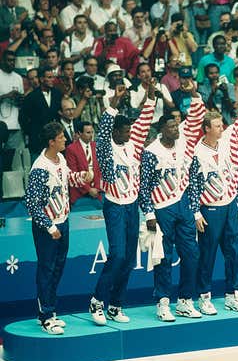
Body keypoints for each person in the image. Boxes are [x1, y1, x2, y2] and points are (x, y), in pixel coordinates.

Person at [189, 73, 238, 315]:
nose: (223, 128)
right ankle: (204, 296)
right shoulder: (197, 152)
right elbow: (192, 184)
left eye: (222, 125)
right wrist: (196, 213)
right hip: (209, 210)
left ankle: (232, 294)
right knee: (207, 256)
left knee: (233, 253)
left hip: (230, 206)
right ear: (207, 128)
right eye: (218, 126)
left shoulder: (229, 140)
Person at [88, 82, 155, 325]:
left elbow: (145, 121)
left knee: (127, 257)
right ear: (116, 132)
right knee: (116, 254)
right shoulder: (105, 149)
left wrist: (150, 99)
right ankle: (97, 301)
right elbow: (103, 128)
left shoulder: (134, 145)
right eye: (124, 132)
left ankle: (116, 305)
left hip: (132, 205)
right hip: (114, 204)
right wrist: (114, 102)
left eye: (130, 132)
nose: (129, 135)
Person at [139, 84, 206, 322]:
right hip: (162, 209)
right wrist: (148, 214)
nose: (176, 128)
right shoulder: (151, 151)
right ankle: (163, 302)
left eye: (177, 125)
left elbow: (198, 116)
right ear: (161, 130)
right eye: (171, 126)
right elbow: (143, 185)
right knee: (163, 257)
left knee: (192, 254)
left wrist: (194, 94)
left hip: (184, 204)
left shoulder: (183, 141)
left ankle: (185, 301)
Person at [25, 121, 92, 334]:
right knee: (46, 268)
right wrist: (49, 226)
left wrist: (82, 176)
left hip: (63, 221)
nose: (66, 140)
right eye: (62, 137)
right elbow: (32, 205)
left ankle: (49, 310)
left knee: (58, 267)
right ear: (51, 142)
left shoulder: (61, 158)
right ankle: (45, 315)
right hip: (48, 228)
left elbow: (68, 179)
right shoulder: (40, 169)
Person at [65, 121, 101, 205]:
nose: (91, 135)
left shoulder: (96, 146)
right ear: (79, 133)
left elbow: (99, 170)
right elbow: (73, 173)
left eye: (92, 132)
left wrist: (97, 188)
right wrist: (88, 189)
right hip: (79, 194)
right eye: (88, 132)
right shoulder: (71, 149)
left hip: (97, 193)